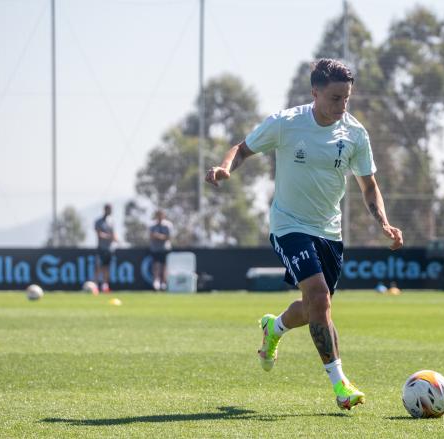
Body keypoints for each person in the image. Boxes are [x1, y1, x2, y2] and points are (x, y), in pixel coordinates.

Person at [206, 58, 403, 410]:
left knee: (315, 307)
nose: (342, 105)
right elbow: (242, 148)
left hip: (329, 231)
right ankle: (340, 384)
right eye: (334, 98)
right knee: (319, 296)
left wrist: (383, 223)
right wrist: (225, 167)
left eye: (346, 98)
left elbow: (368, 185)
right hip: (288, 225)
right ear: (315, 92)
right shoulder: (286, 124)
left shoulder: (355, 133)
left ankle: (274, 328)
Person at [94, 203, 117, 293]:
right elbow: (99, 234)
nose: (110, 211)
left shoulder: (111, 221)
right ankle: (95, 285)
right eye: (109, 209)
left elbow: (114, 234)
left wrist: (116, 240)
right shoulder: (99, 221)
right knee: (99, 266)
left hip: (109, 248)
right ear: (105, 210)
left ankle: (105, 285)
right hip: (101, 248)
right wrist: (108, 237)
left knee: (107, 267)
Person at [149, 209, 173, 291]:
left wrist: (158, 236)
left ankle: (164, 283)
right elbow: (151, 236)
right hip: (155, 249)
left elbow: (169, 237)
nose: (159, 216)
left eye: (161, 215)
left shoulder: (168, 225)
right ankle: (156, 282)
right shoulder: (152, 225)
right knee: (156, 266)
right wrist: (158, 236)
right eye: (158, 215)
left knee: (164, 266)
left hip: (165, 249)